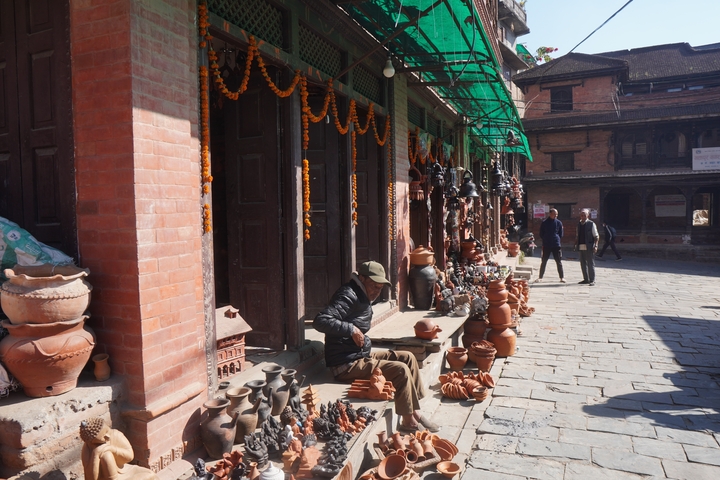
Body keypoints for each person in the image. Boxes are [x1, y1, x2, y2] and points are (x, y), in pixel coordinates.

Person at [313, 260, 440, 433]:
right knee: (400, 370)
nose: (377, 292)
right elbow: (321, 320)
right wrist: (351, 329)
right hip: (345, 365)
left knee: (408, 357)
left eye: (380, 288)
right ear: (362, 279)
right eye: (374, 286)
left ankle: (415, 412)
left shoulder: (362, 293)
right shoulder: (348, 294)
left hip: (359, 356)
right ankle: (408, 421)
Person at [80, 417, 159, 480]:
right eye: (103, 437)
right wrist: (96, 454)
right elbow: (90, 478)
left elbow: (130, 456)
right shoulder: (87, 448)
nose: (108, 436)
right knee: (106, 455)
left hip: (124, 470)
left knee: (151, 475)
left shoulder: (115, 434)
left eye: (107, 431)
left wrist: (111, 448)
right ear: (92, 441)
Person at [535, 208, 565, 283]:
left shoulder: (559, 223)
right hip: (547, 244)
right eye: (554, 214)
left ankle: (562, 277)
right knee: (544, 261)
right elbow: (541, 233)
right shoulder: (544, 222)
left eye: (557, 214)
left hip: (556, 244)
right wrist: (546, 238)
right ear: (550, 214)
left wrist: (556, 238)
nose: (556, 216)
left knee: (558, 261)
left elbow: (561, 234)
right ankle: (540, 277)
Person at [574, 209, 599, 286]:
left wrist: (596, 246)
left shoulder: (591, 224)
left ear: (588, 215)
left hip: (589, 246)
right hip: (581, 245)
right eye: (582, 215)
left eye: (584, 215)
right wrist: (575, 244)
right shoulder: (579, 224)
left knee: (590, 263)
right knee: (583, 263)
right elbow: (577, 236)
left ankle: (592, 279)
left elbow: (596, 236)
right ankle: (586, 279)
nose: (583, 217)